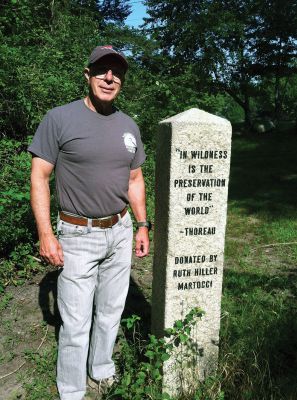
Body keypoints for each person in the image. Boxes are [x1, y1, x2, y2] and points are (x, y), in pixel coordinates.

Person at [28, 45, 150, 400]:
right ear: (88, 75)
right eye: (102, 70)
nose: (109, 77)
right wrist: (46, 234)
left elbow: (135, 179)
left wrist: (142, 225)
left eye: (116, 72)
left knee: (111, 310)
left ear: (122, 81)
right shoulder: (59, 119)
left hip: (121, 230)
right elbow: (40, 177)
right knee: (77, 322)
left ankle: (101, 369)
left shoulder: (128, 125)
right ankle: (71, 389)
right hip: (78, 233)